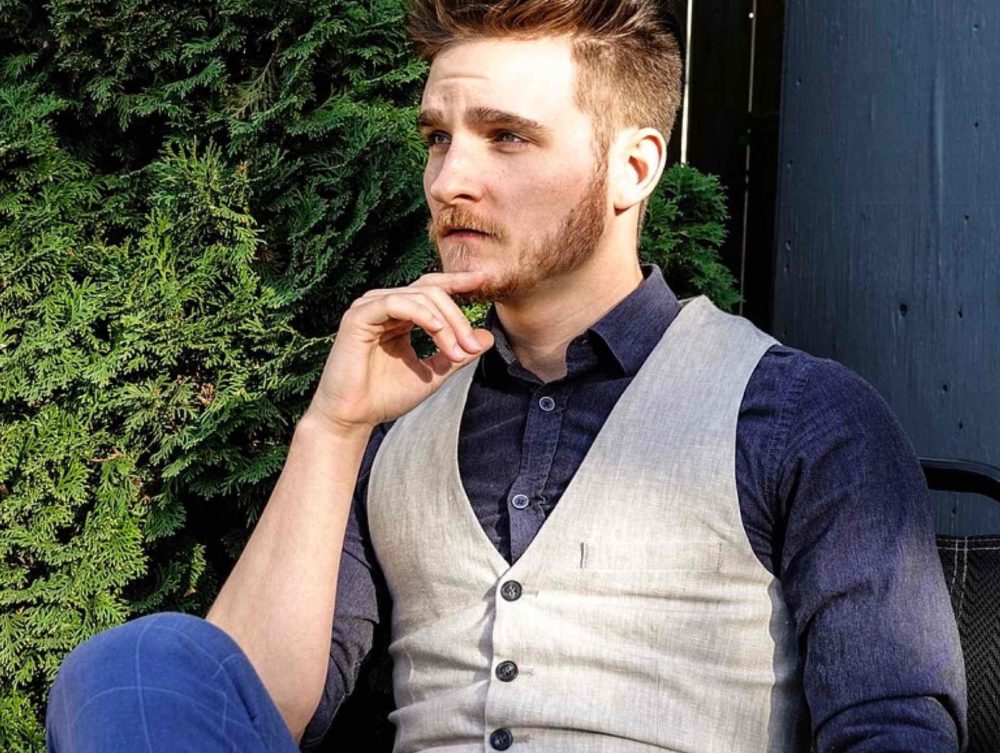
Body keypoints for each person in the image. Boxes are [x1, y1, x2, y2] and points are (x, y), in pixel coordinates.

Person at [46, 1, 966, 752]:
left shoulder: (803, 416)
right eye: (437, 138)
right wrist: (333, 428)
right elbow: (248, 709)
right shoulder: (396, 425)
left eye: (507, 137)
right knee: (134, 667)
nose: (450, 180)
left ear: (633, 168)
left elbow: (894, 730)